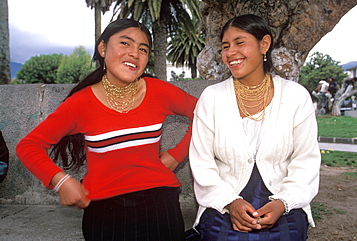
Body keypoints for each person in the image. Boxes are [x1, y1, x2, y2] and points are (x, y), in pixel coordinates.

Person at [16, 19, 197, 241]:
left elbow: (205, 115)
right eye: (125, 43)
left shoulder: (159, 91)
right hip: (104, 209)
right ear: (102, 48)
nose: (134, 53)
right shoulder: (80, 104)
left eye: (143, 49)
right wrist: (61, 180)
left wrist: (175, 156)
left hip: (160, 204)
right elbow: (28, 146)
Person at [189, 14, 320, 240]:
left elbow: (305, 161)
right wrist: (230, 202)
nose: (231, 53)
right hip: (224, 203)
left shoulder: (295, 96)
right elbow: (202, 163)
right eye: (225, 46)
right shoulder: (212, 98)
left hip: (283, 204)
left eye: (240, 43)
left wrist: (283, 202)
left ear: (264, 44)